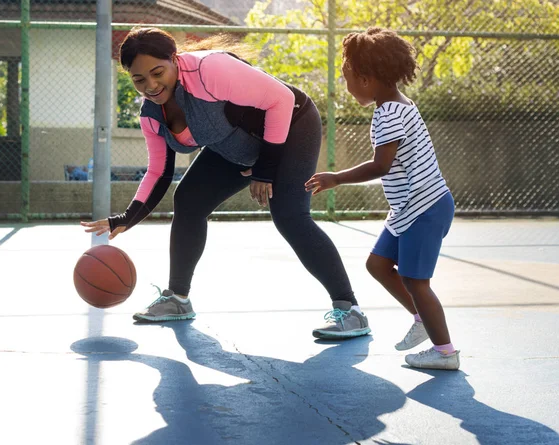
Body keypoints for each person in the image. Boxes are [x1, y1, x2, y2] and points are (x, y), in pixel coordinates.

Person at [81, 27, 370, 339]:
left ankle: (350, 310)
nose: (150, 85)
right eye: (139, 79)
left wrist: (264, 171)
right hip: (236, 146)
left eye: (157, 72)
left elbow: (281, 100)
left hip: (291, 126)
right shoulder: (152, 116)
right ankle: (177, 299)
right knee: (189, 200)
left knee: (289, 216)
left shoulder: (209, 70)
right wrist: (127, 218)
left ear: (174, 60)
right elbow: (159, 172)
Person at [305, 27, 459, 370]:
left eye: (346, 77)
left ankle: (445, 351)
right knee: (378, 265)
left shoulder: (388, 114)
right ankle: (422, 319)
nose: (345, 85)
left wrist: (336, 178)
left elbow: (381, 164)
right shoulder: (401, 104)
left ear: (364, 79)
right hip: (410, 208)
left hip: (425, 208)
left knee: (416, 282)